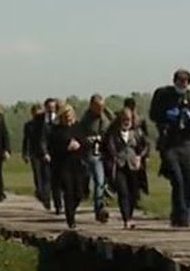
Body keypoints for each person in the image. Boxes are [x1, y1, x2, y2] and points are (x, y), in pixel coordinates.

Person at [150, 68, 190, 228]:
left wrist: (189, 117)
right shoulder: (163, 95)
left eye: (185, 82)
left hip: (187, 143)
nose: (182, 85)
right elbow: (153, 114)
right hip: (169, 144)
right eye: (179, 81)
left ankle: (182, 214)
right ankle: (181, 216)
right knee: (177, 179)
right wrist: (167, 116)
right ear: (174, 81)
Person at [106, 108, 150, 229]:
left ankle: (130, 215)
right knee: (123, 192)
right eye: (124, 119)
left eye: (128, 119)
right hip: (119, 165)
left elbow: (146, 145)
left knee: (133, 192)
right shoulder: (113, 133)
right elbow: (109, 147)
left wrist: (140, 156)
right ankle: (126, 218)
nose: (126, 122)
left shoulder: (137, 132)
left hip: (133, 165)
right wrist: (114, 157)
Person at [47, 105, 88, 229]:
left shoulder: (79, 127)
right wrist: (66, 147)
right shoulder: (56, 130)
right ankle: (70, 219)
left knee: (79, 193)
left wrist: (79, 145)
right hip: (63, 165)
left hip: (78, 164)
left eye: (70, 115)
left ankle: (72, 209)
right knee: (68, 191)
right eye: (65, 116)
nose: (68, 118)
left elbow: (85, 143)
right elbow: (52, 148)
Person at [77, 95, 112, 223]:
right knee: (99, 180)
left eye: (102, 106)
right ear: (92, 106)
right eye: (98, 107)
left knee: (107, 181)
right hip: (93, 154)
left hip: (108, 153)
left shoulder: (108, 116)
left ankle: (104, 201)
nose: (100, 109)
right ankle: (99, 209)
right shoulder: (86, 120)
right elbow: (80, 135)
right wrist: (89, 139)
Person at [22, 104, 51, 210]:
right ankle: (40, 192)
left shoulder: (47, 125)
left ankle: (46, 197)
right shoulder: (29, 125)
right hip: (34, 153)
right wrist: (25, 154)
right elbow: (26, 140)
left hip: (47, 153)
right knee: (38, 175)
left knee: (47, 176)